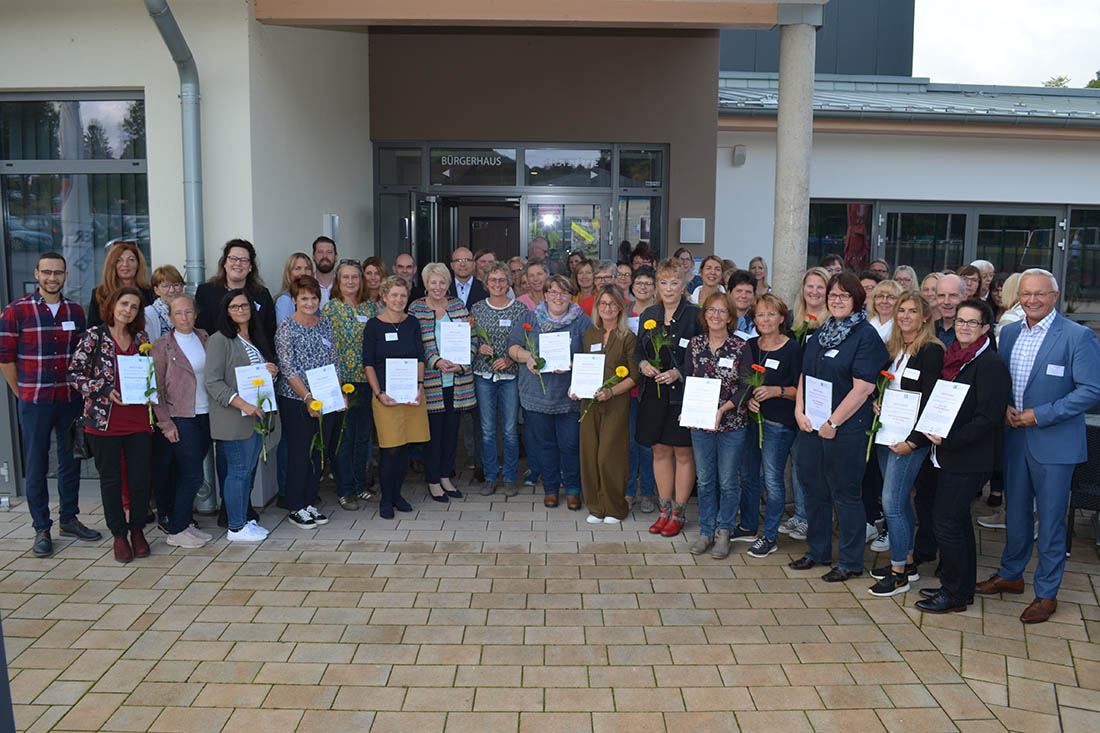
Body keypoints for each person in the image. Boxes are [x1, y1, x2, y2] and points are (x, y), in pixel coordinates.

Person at [976, 270, 1100, 624]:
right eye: (1026, 293)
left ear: (1055, 295)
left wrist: (1040, 415)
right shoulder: (1010, 332)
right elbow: (1002, 381)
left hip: (1055, 443)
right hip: (1015, 439)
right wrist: (1003, 408)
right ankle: (1011, 575)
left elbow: (1091, 390)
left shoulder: (1078, 337)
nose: (1032, 300)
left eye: (1040, 294)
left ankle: (1046, 593)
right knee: (1015, 515)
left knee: (1050, 522)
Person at [790, 272, 889, 582]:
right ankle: (817, 552)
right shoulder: (820, 332)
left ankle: (850, 561)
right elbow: (805, 375)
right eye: (833, 295)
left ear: (857, 300)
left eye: (844, 296)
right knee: (814, 490)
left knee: (845, 494)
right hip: (811, 425)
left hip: (845, 429)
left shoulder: (865, 336)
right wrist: (799, 411)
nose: (836, 300)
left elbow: (862, 388)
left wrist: (834, 422)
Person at [0, 252, 99, 557]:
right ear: (37, 274)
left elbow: (81, 357)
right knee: (36, 464)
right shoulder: (16, 311)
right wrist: (22, 393)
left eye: (58, 273)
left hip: (69, 400)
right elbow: (5, 359)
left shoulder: (74, 311)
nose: (52, 278)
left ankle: (68, 519)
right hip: (35, 402)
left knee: (70, 463)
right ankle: (41, 526)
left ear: (65, 275)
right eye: (46, 272)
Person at [916, 298, 1011, 614]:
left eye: (972, 323)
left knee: (946, 523)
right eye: (960, 321)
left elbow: (988, 417)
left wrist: (950, 440)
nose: (964, 327)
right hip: (948, 453)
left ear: (985, 328)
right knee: (956, 523)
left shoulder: (990, 364)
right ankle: (960, 587)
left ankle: (954, 594)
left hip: (969, 457)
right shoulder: (954, 358)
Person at [865, 292, 944, 596]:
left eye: (913, 311)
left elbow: (931, 399)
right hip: (888, 434)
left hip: (909, 441)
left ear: (925, 317)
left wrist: (913, 442)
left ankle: (897, 575)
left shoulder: (931, 351)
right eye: (902, 311)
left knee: (892, 504)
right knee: (898, 501)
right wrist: (877, 402)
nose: (905, 316)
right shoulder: (895, 348)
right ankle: (908, 562)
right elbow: (889, 387)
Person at [68, 287, 153, 563]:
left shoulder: (141, 337)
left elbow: (147, 371)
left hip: (139, 420)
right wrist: (103, 389)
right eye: (124, 304)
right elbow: (74, 374)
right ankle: (119, 535)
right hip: (104, 423)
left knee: (140, 481)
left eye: (134, 306)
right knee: (112, 482)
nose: (128, 310)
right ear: (113, 305)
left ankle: (137, 530)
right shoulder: (95, 335)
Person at [508, 275, 591, 510]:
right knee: (545, 444)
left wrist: (579, 367)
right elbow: (513, 347)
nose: (558, 297)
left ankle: (573, 489)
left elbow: (593, 354)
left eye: (563, 292)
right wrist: (528, 358)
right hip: (536, 394)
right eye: (553, 292)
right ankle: (551, 489)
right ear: (545, 295)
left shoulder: (582, 322)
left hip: (569, 395)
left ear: (571, 296)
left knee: (570, 444)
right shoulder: (530, 318)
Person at [204, 290, 280, 542]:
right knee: (238, 472)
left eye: (244, 305)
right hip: (234, 418)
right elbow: (213, 382)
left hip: (256, 417)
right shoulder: (219, 340)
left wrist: (272, 371)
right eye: (235, 306)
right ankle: (235, 527)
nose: (241, 310)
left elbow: (257, 375)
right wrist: (242, 404)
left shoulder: (255, 337)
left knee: (246, 472)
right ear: (226, 311)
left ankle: (244, 520)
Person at [635, 259, 702, 537]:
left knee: (683, 453)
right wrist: (642, 365)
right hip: (653, 394)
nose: (669, 288)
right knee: (659, 450)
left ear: (684, 284)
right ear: (656, 286)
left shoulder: (695, 315)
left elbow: (702, 355)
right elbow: (639, 350)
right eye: (663, 282)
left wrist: (679, 372)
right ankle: (663, 511)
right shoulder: (648, 313)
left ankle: (678, 512)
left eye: (674, 282)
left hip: (682, 395)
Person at [683, 292, 749, 557]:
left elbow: (745, 387)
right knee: (706, 480)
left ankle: (725, 532)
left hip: (732, 424)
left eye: (722, 311)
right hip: (701, 424)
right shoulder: (695, 344)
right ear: (704, 313)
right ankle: (706, 531)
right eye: (711, 309)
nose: (716, 315)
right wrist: (687, 411)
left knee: (728, 481)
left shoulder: (741, 347)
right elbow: (689, 380)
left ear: (731, 317)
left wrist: (724, 408)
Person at [274, 275, 342, 529]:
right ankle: (295, 505)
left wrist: (338, 393)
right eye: (304, 298)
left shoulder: (325, 324)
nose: (310, 302)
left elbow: (334, 360)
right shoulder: (286, 327)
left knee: (319, 451)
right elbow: (288, 368)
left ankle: (310, 500)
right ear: (294, 300)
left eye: (314, 297)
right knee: (300, 452)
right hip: (297, 400)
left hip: (326, 398)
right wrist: (308, 398)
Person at [150, 293, 213, 548]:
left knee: (190, 472)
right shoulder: (162, 346)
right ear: (170, 317)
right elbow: (154, 389)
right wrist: (165, 423)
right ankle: (176, 530)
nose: (184, 317)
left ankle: (184, 522)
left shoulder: (204, 337)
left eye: (188, 312)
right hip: (180, 417)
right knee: (192, 475)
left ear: (195, 314)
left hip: (206, 414)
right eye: (178, 313)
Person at [363, 277, 429, 519]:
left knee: (405, 447)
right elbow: (368, 363)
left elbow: (420, 356)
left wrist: (420, 386)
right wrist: (378, 393)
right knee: (390, 449)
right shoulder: (373, 326)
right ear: (384, 296)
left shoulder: (413, 323)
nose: (399, 300)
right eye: (394, 295)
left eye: (403, 295)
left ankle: (398, 494)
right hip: (386, 397)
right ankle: (386, 498)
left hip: (411, 394)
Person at [742, 293, 802, 559]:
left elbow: (801, 389)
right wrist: (748, 403)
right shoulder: (751, 346)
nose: (765, 319)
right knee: (750, 477)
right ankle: (749, 526)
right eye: (760, 314)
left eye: (770, 314)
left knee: (774, 481)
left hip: (778, 425)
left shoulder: (793, 348)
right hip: (752, 423)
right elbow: (743, 383)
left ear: (781, 317)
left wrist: (776, 391)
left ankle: (770, 536)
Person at [410, 263, 475, 502]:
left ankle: (446, 476)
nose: (438, 287)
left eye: (442, 282)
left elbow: (473, 337)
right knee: (433, 435)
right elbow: (415, 345)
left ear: (449, 284)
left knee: (450, 434)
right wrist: (435, 361)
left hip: (457, 382)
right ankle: (433, 480)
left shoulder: (458, 306)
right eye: (433, 282)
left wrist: (463, 364)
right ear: (426, 284)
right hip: (430, 382)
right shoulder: (416, 308)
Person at [574, 286, 637, 524]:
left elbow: (634, 376)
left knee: (609, 455)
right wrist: (575, 388)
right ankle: (596, 506)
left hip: (616, 403)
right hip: (589, 403)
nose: (607, 308)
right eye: (603, 304)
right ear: (597, 308)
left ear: (620, 307)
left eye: (612, 304)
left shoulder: (628, 337)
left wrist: (611, 391)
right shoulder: (590, 334)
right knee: (589, 453)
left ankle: (615, 507)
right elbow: (582, 367)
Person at [321, 261, 379, 510]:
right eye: (346, 277)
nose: (351, 282)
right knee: (343, 438)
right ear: (338, 280)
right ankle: (344, 490)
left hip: (367, 381)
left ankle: (359, 486)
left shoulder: (370, 307)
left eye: (355, 277)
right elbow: (326, 349)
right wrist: (335, 384)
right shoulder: (331, 309)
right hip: (342, 383)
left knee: (362, 438)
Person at [471, 262, 528, 496]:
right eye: (493, 280)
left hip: (510, 375)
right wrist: (478, 347)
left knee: (509, 429)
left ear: (509, 283)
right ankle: (490, 476)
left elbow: (526, 341)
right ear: (486, 284)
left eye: (502, 280)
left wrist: (510, 359)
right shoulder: (476, 308)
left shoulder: (520, 309)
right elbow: (469, 337)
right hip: (483, 375)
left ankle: (510, 477)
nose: (497, 284)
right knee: (486, 429)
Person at [195, 239, 275, 348]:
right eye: (233, 259)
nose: (238, 263)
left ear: (250, 267)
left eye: (244, 260)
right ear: (224, 263)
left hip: (255, 358)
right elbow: (201, 330)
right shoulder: (206, 292)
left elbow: (269, 331)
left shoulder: (262, 294)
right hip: (217, 354)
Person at [626, 267, 658, 512]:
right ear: (632, 285)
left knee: (646, 443)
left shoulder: (660, 312)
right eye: (639, 282)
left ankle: (647, 493)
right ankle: (628, 491)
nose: (643, 287)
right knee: (628, 442)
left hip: (650, 387)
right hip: (625, 385)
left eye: (648, 283)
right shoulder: (623, 310)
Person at [87, 241, 154, 327]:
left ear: (138, 264)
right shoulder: (100, 293)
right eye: (119, 260)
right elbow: (92, 329)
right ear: (112, 264)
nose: (125, 264)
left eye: (131, 260)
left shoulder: (149, 293)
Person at [144, 265, 185, 343]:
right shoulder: (148, 314)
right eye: (165, 286)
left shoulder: (188, 309)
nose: (172, 290)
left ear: (182, 287)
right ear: (156, 290)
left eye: (176, 285)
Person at [275, 253, 314, 325]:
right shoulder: (285, 300)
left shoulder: (314, 297)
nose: (303, 273)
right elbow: (285, 332)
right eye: (298, 268)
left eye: (307, 268)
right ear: (289, 273)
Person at [934, 274, 966, 347]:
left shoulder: (975, 333)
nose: (946, 302)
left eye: (953, 295)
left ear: (964, 297)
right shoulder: (927, 330)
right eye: (941, 295)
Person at [726, 270, 757, 338]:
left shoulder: (759, 321)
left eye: (748, 292)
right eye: (739, 291)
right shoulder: (719, 318)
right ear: (729, 293)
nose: (743, 296)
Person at [994, 273, 1024, 338]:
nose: (1000, 295)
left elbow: (1000, 345)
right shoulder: (1028, 312)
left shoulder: (1012, 315)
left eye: (1003, 290)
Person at [312, 236, 337, 304]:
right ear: (313, 256)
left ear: (336, 257)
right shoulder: (306, 284)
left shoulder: (346, 284)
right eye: (320, 252)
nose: (325, 256)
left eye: (329, 252)